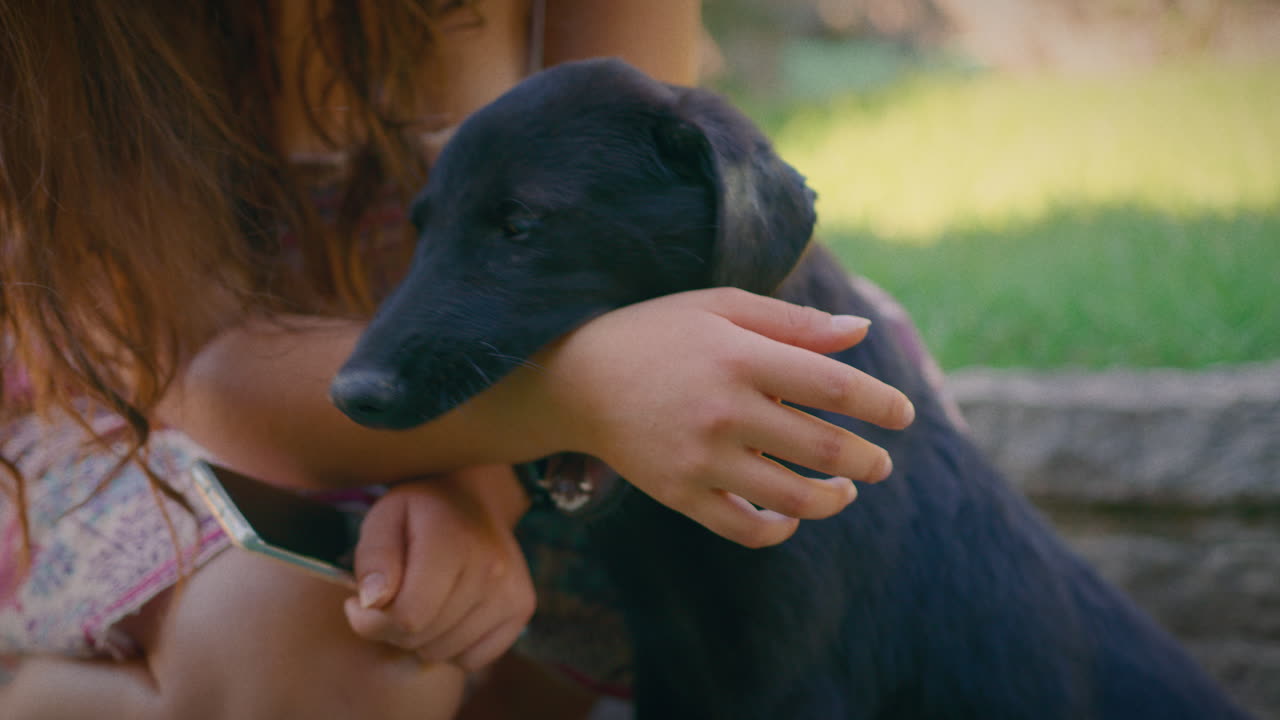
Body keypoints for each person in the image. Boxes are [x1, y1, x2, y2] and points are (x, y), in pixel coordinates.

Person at [0, 1, 929, 717]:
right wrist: (567, 403)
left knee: (843, 572)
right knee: (325, 648)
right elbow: (207, 377)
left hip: (533, 393)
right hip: (163, 413)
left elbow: (634, 223)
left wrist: (476, 489)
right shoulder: (89, 32)